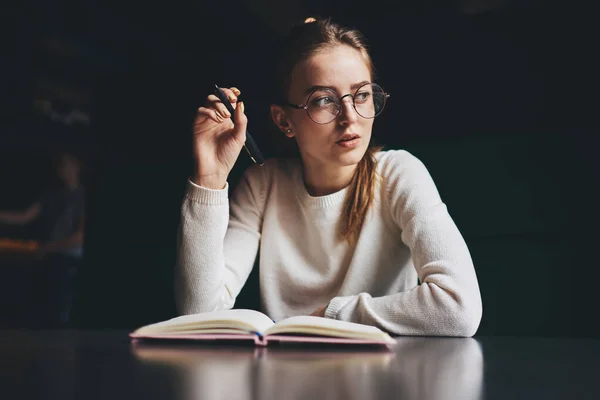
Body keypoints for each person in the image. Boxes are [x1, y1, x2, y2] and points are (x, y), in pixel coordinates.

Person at [176, 18, 482, 336]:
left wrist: (331, 315)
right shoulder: (263, 186)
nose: (350, 118)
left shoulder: (398, 174)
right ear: (284, 121)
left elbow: (459, 308)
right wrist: (210, 178)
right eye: (324, 100)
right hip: (285, 380)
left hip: (383, 380)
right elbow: (198, 313)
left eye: (361, 95)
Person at [0, 151, 85, 327]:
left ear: (78, 166)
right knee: (47, 308)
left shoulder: (85, 197)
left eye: (69, 164)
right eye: (62, 165)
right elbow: (24, 217)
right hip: (51, 258)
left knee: (62, 311)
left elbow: (79, 237)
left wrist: (49, 248)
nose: (65, 169)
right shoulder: (51, 197)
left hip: (70, 261)